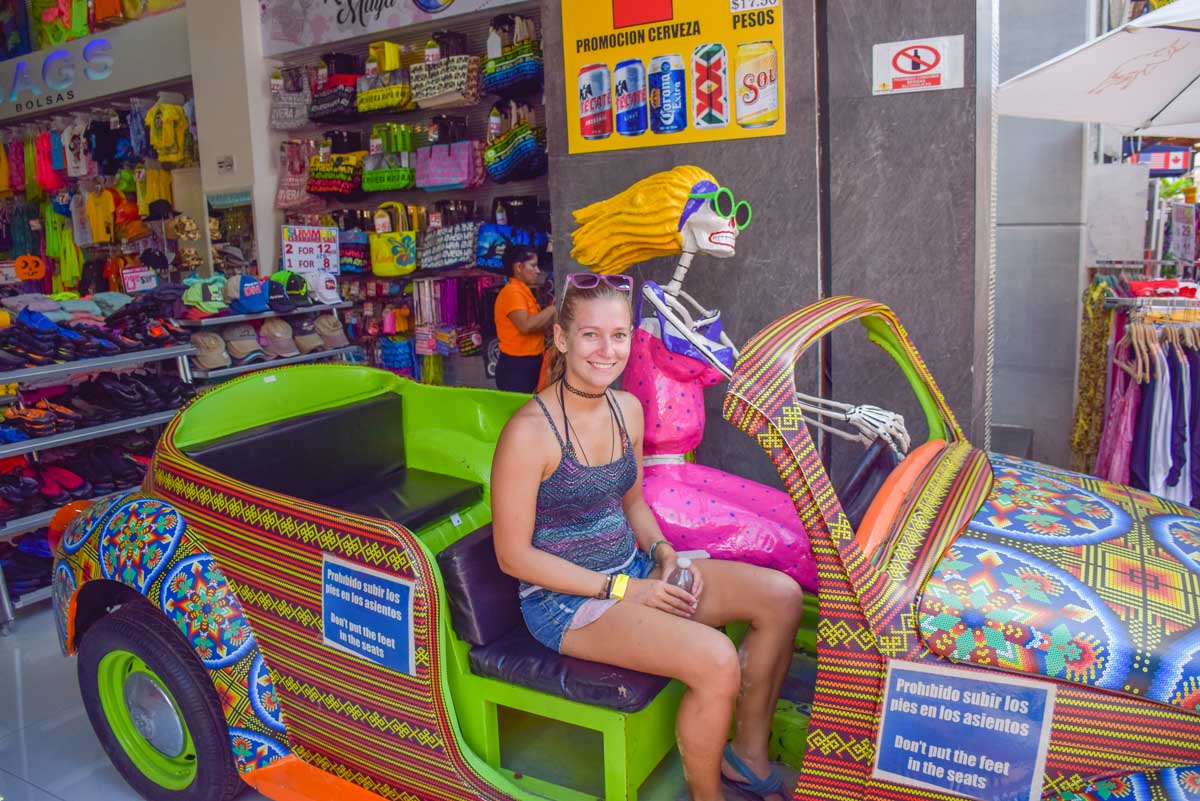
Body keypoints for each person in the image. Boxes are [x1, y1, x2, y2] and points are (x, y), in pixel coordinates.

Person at [491, 273, 804, 801]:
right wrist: (624, 591)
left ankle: (746, 758)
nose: (606, 350)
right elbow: (513, 556)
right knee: (715, 659)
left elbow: (632, 502)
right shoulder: (529, 432)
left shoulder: (627, 410)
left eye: (619, 335)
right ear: (563, 340)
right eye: (590, 335)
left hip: (634, 572)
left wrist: (662, 553)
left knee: (782, 597)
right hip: (566, 604)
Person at [494, 245, 554, 393]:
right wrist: (553, 309)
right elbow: (526, 326)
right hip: (516, 366)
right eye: (533, 266)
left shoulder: (523, 291)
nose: (538, 271)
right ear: (519, 267)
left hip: (529, 363)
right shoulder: (511, 292)